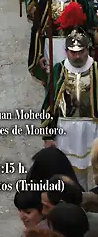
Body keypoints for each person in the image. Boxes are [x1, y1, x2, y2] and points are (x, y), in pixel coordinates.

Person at [41, 31, 98, 190]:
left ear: (88, 50)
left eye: (81, 52)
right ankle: (76, 204)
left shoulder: (96, 70)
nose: (77, 56)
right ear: (66, 52)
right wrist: (48, 134)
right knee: (70, 172)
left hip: (93, 128)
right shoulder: (59, 70)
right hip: (66, 128)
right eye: (73, 52)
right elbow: (49, 103)